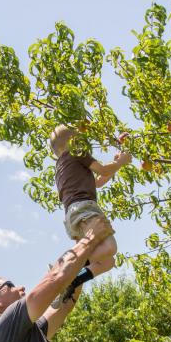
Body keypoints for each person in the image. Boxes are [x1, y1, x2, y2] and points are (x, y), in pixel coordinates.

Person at [49, 124, 132, 308]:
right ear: (73, 141)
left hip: (73, 216)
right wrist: (122, 161)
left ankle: (73, 280)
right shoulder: (76, 153)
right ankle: (64, 270)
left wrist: (115, 165)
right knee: (110, 247)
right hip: (84, 208)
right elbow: (102, 170)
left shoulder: (62, 165)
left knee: (107, 262)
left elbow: (98, 182)